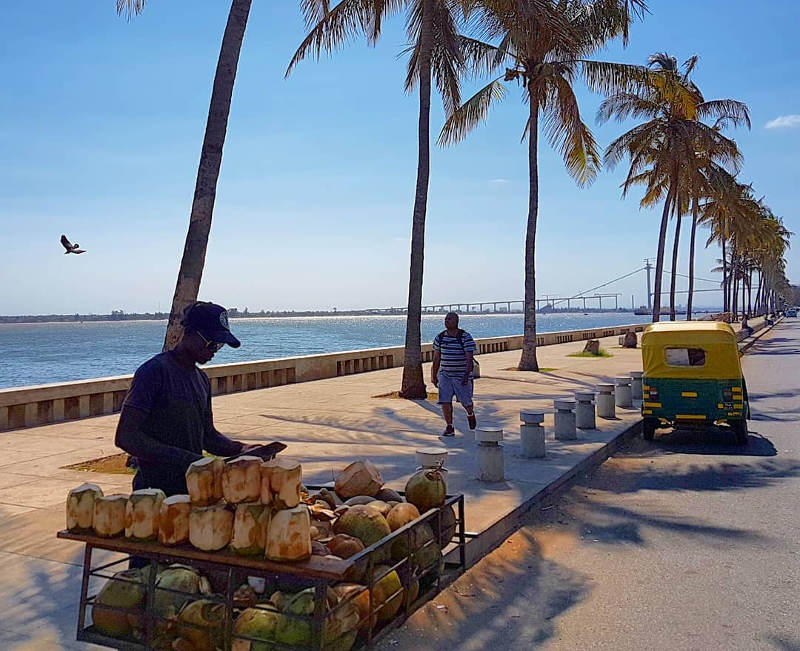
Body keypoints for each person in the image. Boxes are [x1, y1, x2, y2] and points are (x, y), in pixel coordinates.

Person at [115, 301, 258, 497]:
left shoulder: (202, 379)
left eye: (220, 345)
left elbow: (208, 436)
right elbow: (126, 437)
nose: (214, 350)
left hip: (193, 491)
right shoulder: (154, 372)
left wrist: (241, 449)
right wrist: (187, 459)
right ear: (190, 332)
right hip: (154, 494)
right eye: (211, 342)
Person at [431, 312, 477, 436]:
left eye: (450, 319)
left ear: (456, 321)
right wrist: (433, 375)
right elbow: (436, 358)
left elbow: (469, 359)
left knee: (465, 402)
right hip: (445, 375)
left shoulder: (465, 337)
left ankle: (470, 414)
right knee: (445, 401)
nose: (447, 321)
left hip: (461, 376)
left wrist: (466, 376)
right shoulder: (440, 337)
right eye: (446, 319)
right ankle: (449, 427)